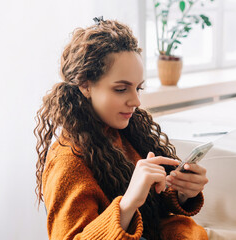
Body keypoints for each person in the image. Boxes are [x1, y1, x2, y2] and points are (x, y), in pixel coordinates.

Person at [34, 17, 209, 240]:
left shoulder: (126, 132)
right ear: (85, 85)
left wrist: (183, 192)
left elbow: (153, 210)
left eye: (138, 88)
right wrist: (127, 204)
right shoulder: (68, 161)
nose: (136, 101)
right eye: (120, 89)